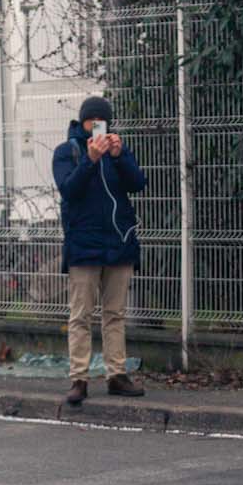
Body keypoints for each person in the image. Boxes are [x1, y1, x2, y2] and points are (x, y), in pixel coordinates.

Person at [52, 93, 146, 405]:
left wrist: (120, 156)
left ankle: (116, 374)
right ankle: (79, 377)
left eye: (102, 121)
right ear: (82, 121)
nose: (97, 127)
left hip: (118, 242)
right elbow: (69, 190)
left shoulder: (115, 151)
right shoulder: (68, 152)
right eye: (92, 121)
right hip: (84, 245)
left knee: (115, 313)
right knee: (81, 314)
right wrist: (91, 161)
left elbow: (137, 183)